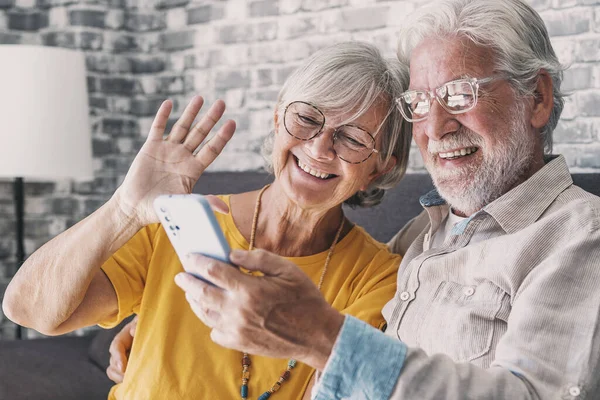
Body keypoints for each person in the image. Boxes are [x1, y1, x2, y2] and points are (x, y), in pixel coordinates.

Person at [172, 0, 600, 399]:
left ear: (537, 98)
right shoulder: (420, 233)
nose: (434, 127)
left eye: (459, 94)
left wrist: (328, 341)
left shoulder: (578, 237)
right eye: (419, 102)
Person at [2, 41, 412, 399]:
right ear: (277, 118)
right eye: (307, 119)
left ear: (379, 169)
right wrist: (124, 209)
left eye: (353, 138)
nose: (320, 148)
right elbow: (29, 311)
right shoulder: (179, 221)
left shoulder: (379, 278)